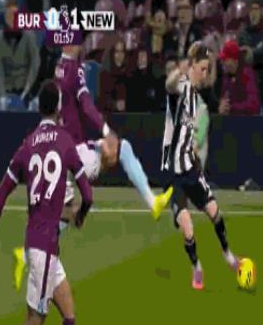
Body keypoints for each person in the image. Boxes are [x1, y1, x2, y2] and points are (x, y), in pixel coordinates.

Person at [12, 43, 173, 291]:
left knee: (63, 216)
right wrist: (107, 132)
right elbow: (87, 106)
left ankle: (24, 254)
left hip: (63, 151)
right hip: (76, 153)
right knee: (121, 147)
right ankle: (152, 202)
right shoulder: (74, 70)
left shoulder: (58, 68)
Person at [0, 80, 102, 325]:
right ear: (57, 108)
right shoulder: (65, 141)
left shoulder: (26, 145)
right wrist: (81, 216)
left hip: (40, 245)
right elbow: (88, 194)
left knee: (69, 313)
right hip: (44, 248)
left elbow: (0, 196)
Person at [162, 42, 241, 290]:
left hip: (191, 168)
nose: (205, 74)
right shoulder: (181, 86)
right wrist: (182, 68)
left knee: (215, 211)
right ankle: (196, 267)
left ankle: (228, 255)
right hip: (173, 174)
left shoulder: (198, 99)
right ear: (193, 65)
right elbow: (169, 84)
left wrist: (195, 146)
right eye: (203, 68)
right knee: (187, 227)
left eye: (208, 69)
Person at [218, 40, 261, 115]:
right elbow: (224, 99)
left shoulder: (247, 73)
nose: (222, 62)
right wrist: (222, 107)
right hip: (231, 119)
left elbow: (254, 105)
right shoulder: (226, 76)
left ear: (235, 61)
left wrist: (232, 107)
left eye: (225, 59)